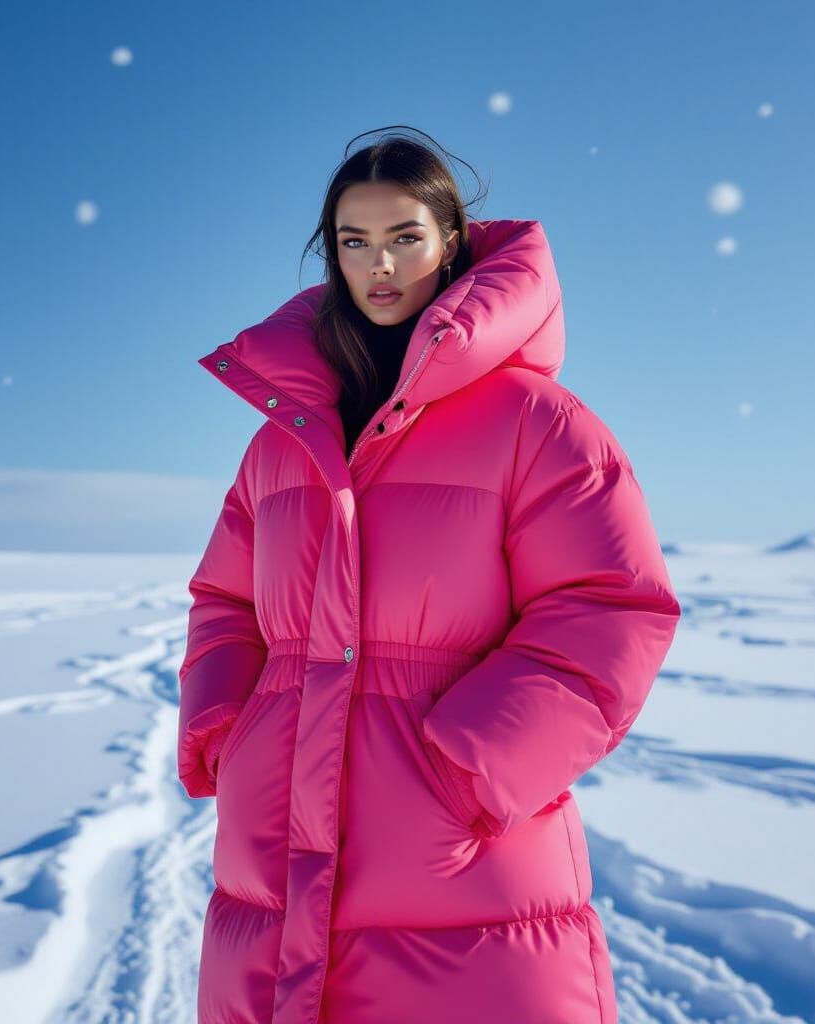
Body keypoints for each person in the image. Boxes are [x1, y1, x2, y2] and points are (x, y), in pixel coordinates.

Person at [177, 127, 682, 1024]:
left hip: (462, 865)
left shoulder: (538, 421)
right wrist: (230, 727)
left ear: (451, 240)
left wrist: (467, 770)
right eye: (354, 241)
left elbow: (609, 609)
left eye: (405, 236)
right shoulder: (281, 437)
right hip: (275, 840)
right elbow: (225, 600)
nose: (380, 265)